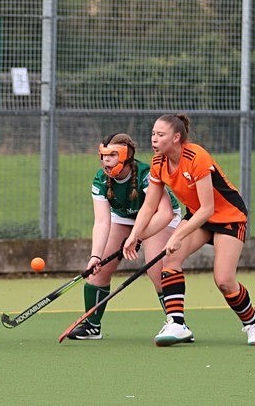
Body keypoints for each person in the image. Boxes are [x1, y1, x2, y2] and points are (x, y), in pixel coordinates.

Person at [124, 114, 255, 346]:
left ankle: (253, 323)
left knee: (224, 280)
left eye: (160, 135)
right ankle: (177, 324)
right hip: (199, 216)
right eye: (153, 134)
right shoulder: (158, 162)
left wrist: (178, 235)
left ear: (176, 137)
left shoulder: (197, 156)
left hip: (228, 216)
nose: (154, 139)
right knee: (169, 260)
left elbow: (208, 208)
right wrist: (135, 236)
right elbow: (149, 206)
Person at [67, 133, 183, 340]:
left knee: (156, 269)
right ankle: (92, 326)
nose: (106, 161)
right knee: (99, 268)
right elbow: (102, 221)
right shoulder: (101, 179)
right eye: (103, 155)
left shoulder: (146, 174)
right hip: (124, 217)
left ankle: (177, 324)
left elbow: (165, 213)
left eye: (112, 155)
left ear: (127, 156)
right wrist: (95, 256)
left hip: (159, 217)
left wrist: (137, 237)